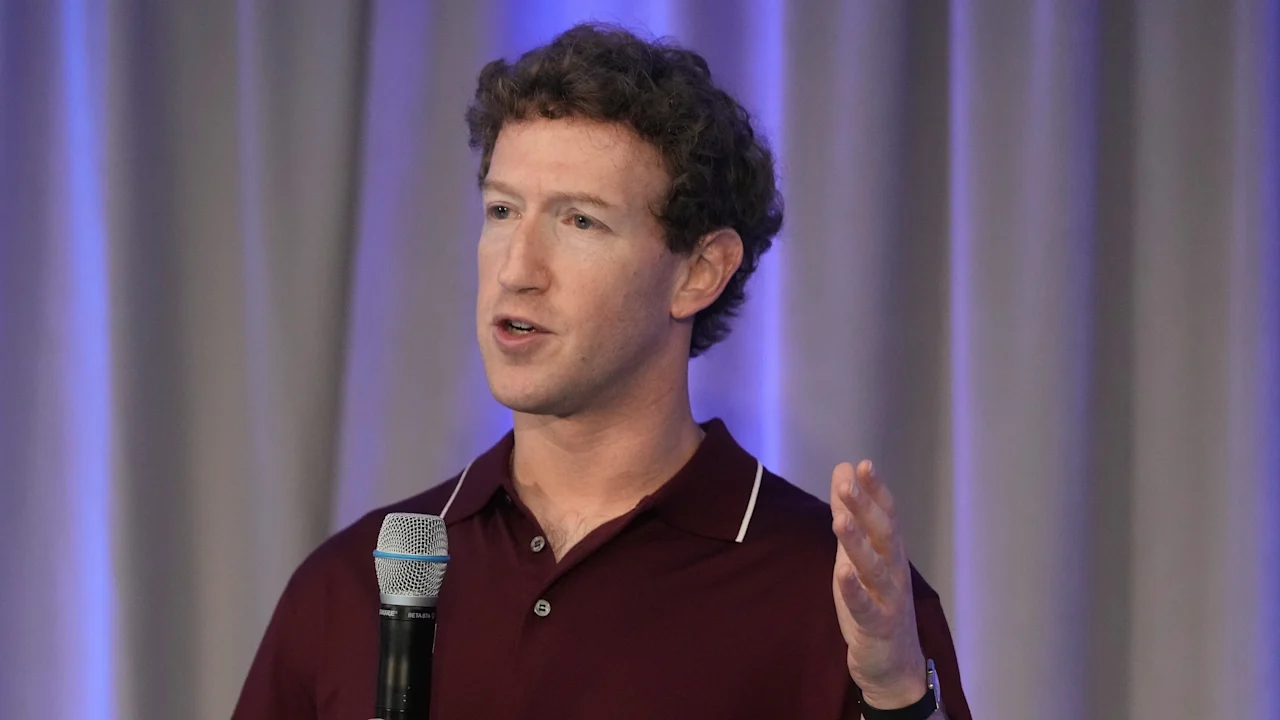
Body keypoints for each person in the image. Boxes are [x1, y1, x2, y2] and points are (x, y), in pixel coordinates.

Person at [234, 23, 971, 720]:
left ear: (700, 271)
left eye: (579, 221)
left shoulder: (834, 596)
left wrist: (896, 697)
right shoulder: (352, 581)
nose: (517, 270)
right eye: (502, 211)